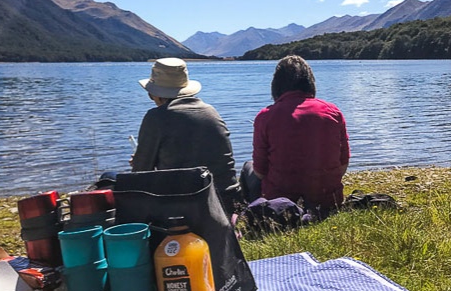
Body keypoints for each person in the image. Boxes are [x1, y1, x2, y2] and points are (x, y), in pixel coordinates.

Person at [244, 55, 350, 220]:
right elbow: (343, 165)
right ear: (310, 82)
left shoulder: (266, 116)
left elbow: (259, 171)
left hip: (280, 204)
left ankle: (254, 211)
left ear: (276, 85)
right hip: (328, 201)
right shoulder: (333, 112)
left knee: (247, 168)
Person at [131, 57, 241, 216]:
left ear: (157, 94)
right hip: (227, 200)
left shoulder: (156, 117)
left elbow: (140, 174)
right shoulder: (211, 111)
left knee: (110, 178)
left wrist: (138, 161)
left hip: (184, 206)